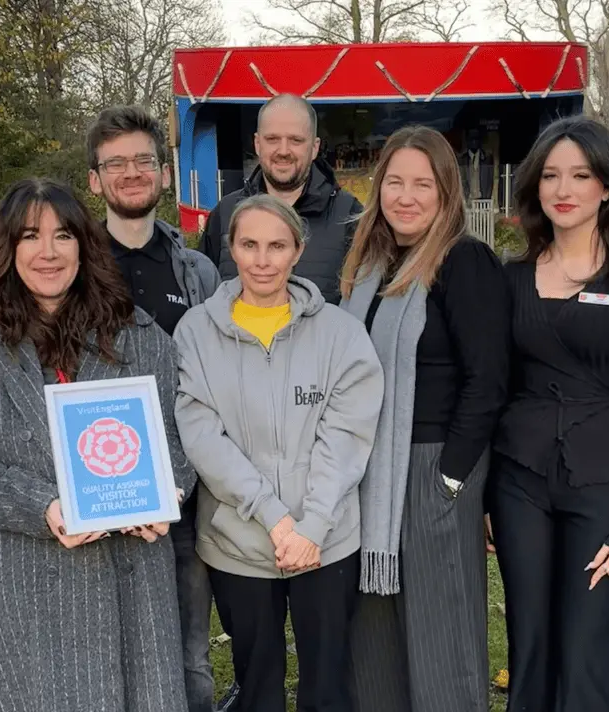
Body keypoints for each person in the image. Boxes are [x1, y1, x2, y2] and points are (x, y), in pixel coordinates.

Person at [0, 178, 195, 712]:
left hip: (132, 583)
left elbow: (178, 438)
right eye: (30, 236)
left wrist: (167, 493)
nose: (48, 252)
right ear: (7, 249)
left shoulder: (139, 338)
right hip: (27, 584)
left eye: (63, 235)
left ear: (84, 247)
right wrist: (42, 505)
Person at [488, 116, 609, 711]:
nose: (563, 189)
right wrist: (482, 500)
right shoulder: (510, 278)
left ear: (608, 186)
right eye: (550, 175)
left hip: (604, 487)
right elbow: (492, 392)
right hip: (518, 484)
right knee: (530, 645)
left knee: (585, 652)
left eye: (580, 174)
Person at [173, 193, 384, 712]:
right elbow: (202, 436)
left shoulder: (341, 334)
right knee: (257, 683)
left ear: (298, 250)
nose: (262, 260)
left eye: (277, 246)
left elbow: (346, 436)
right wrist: (273, 516)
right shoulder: (196, 332)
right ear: (231, 249)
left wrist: (311, 527)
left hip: (325, 541)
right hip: (239, 542)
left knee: (327, 685)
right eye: (249, 245)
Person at [340, 125, 508, 712]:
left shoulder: (465, 261)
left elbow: (488, 381)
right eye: (395, 182)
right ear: (378, 186)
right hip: (370, 469)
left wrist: (451, 479)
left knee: (442, 637)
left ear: (446, 192)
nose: (405, 197)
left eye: (423, 184)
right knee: (374, 637)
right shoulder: (370, 266)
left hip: (435, 465)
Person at [86, 104, 225, 712]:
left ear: (165, 174)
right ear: (94, 180)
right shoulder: (71, 269)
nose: (131, 173)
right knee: (106, 650)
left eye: (144, 160)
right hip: (99, 490)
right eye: (115, 164)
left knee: (190, 647)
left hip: (184, 489)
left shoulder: (197, 272)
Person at [198, 93, 363, 305]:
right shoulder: (226, 213)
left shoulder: (349, 215)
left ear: (314, 148)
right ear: (257, 144)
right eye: (272, 139)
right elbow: (204, 299)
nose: (283, 151)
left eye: (296, 140)